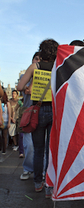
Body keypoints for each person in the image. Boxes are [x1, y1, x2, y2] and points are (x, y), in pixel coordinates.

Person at [17, 39, 59, 198]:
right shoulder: (58, 68)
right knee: (51, 150)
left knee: (38, 149)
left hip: (38, 111)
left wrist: (29, 86)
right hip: (55, 110)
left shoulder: (35, 67)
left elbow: (20, 87)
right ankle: (50, 185)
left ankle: (37, 183)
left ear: (41, 52)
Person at [19, 52, 40, 180]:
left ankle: (41, 171)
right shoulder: (24, 75)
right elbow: (23, 89)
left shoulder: (44, 74)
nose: (37, 62)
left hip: (40, 111)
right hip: (28, 112)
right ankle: (27, 168)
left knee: (40, 145)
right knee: (29, 145)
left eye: (39, 60)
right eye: (36, 59)